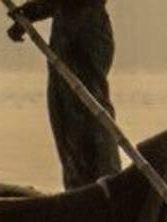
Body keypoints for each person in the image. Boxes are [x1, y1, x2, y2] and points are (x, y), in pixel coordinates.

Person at [7, 0, 119, 190]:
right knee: (64, 114)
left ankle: (106, 182)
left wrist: (31, 11)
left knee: (89, 112)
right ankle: (80, 189)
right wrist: (29, 14)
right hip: (66, 32)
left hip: (85, 33)